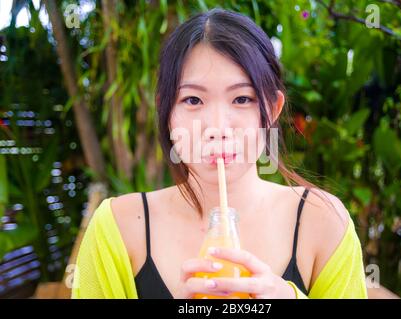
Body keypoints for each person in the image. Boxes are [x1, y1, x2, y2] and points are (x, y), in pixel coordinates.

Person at [72, 8, 368, 299]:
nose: (217, 127)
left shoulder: (323, 224)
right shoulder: (118, 229)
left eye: (242, 98)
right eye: (192, 100)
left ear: (273, 109)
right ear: (167, 112)